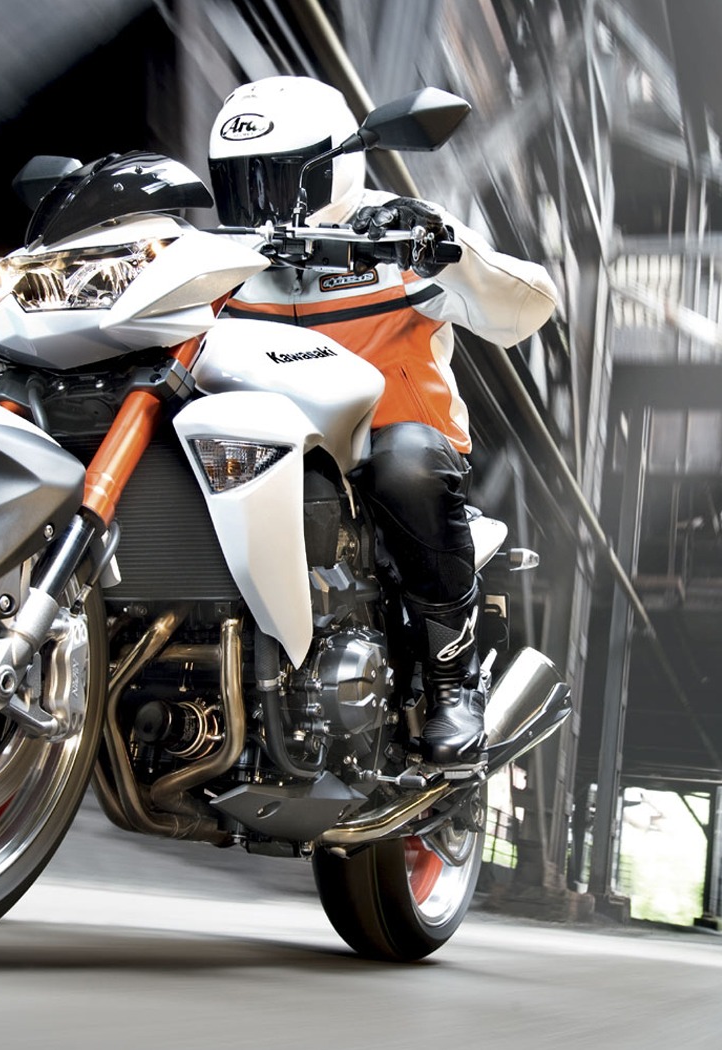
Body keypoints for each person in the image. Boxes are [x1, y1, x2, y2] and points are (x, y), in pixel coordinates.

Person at [206, 75, 558, 765]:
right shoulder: (221, 260)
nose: (261, 205)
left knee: (406, 463)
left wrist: (445, 248)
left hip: (381, 446)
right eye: (242, 183)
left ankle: (453, 679)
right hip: (260, 448)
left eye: (277, 179)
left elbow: (528, 307)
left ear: (334, 167)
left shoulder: (395, 233)